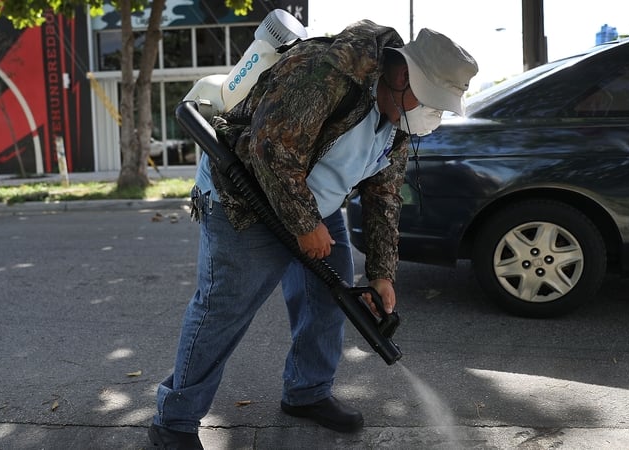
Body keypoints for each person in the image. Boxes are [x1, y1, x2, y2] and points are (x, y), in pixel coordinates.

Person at [149, 19, 478, 449]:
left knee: (326, 301)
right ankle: (173, 422)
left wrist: (382, 273)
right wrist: (306, 227)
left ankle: (307, 392)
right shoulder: (327, 71)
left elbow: (383, 197)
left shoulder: (399, 119)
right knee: (222, 312)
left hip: (315, 207)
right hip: (246, 199)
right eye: (430, 100)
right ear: (402, 76)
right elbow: (271, 150)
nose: (430, 113)